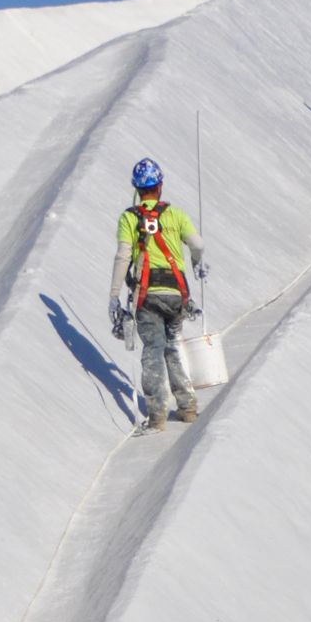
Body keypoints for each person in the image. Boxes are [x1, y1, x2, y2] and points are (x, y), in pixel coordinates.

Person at [109, 157, 207, 433]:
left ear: (137, 189)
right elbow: (197, 244)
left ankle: (157, 414)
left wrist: (114, 295)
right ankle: (187, 406)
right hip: (176, 293)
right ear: (160, 186)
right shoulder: (174, 215)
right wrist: (197, 263)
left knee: (152, 349)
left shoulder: (130, 217)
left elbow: (123, 255)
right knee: (173, 345)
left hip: (147, 295)